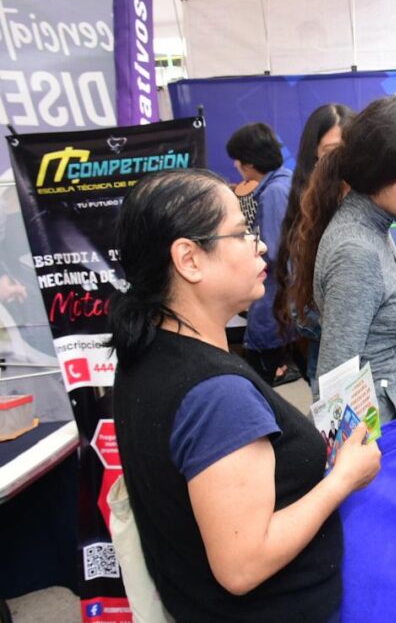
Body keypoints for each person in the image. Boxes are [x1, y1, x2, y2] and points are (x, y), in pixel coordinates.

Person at [111, 169, 382, 622]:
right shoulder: (215, 394)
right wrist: (343, 479)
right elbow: (242, 565)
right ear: (189, 259)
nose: (260, 246)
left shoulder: (149, 352)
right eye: (240, 232)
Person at [288, 96, 396, 455]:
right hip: (383, 452)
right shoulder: (357, 250)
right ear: (377, 176)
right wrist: (355, 473)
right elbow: (336, 377)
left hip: (395, 438)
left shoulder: (374, 225)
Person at [274, 104, 355, 390]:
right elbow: (300, 311)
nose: (343, 160)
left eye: (351, 147)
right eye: (331, 150)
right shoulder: (307, 214)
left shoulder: (381, 203)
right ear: (314, 156)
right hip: (333, 364)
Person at [226, 122, 297, 386]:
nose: (236, 165)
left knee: (258, 376)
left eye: (238, 159)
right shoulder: (284, 181)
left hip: (275, 299)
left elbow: (274, 250)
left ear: (251, 161)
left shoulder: (274, 192)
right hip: (283, 299)